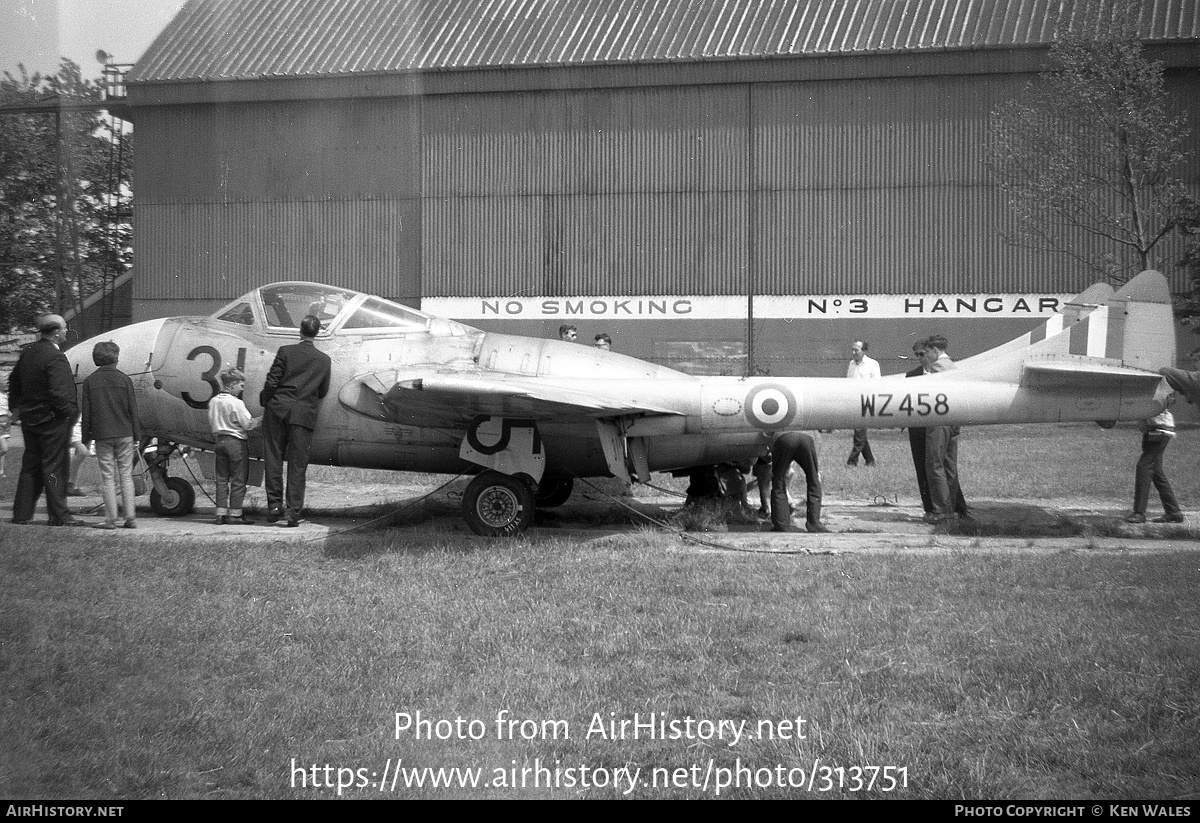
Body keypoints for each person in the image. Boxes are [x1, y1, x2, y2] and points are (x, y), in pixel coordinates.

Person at [9, 314, 85, 526]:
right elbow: (60, 392)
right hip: (52, 420)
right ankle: (59, 515)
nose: (66, 332)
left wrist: (18, 407)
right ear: (57, 332)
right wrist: (70, 414)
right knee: (55, 467)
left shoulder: (28, 352)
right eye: (65, 328)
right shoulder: (55, 357)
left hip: (29, 419)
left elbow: (14, 381)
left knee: (30, 465)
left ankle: (21, 514)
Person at [260, 315, 332, 527]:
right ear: (317, 333)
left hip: (278, 410)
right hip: (303, 415)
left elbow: (272, 381)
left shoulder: (285, 351)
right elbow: (323, 390)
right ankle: (292, 513)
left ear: (300, 331)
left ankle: (274, 507)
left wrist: (266, 401)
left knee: (273, 458)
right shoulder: (324, 360)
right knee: (297, 465)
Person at [80, 340, 140, 530]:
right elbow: (133, 410)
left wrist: (85, 438)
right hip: (125, 433)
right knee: (126, 476)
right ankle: (130, 517)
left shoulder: (90, 381)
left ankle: (111, 519)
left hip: (102, 435)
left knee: (107, 477)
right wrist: (137, 435)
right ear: (116, 358)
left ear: (96, 359)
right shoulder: (125, 379)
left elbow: (87, 413)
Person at [920, 334, 969, 524]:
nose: (926, 357)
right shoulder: (952, 366)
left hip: (939, 422)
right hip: (953, 421)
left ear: (934, 350)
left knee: (934, 463)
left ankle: (941, 510)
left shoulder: (938, 368)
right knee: (949, 466)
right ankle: (950, 507)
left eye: (927, 353)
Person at [208, 367, 261, 526]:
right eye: (241, 385)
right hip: (236, 443)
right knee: (238, 479)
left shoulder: (214, 401)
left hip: (220, 442)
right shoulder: (236, 403)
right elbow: (247, 424)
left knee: (222, 479)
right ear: (232, 384)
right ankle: (236, 515)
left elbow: (211, 422)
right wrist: (261, 419)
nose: (242, 389)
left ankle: (220, 514)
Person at [1126, 407, 1183, 524]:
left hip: (1159, 430)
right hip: (1156, 429)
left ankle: (1139, 512)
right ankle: (1173, 512)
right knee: (1156, 472)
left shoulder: (1154, 391)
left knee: (1143, 466)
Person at [769, 431, 829, 533]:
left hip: (783, 438)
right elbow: (817, 439)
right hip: (807, 438)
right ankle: (814, 523)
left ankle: (781, 524)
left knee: (778, 482)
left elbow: (770, 443)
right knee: (813, 480)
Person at [845, 340, 880, 467]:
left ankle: (852, 461)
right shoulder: (851, 364)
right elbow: (848, 382)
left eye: (856, 350)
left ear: (864, 351)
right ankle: (870, 460)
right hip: (854, 402)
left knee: (859, 433)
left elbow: (876, 384)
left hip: (867, 402)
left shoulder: (872, 364)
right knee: (860, 432)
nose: (853, 352)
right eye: (852, 349)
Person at [67, 419, 95, 496]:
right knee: (82, 451)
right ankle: (70, 484)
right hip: (74, 424)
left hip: (87, 425)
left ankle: (71, 484)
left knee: (82, 452)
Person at [0, 367, 10, 477]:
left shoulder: (6, 395)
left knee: (3, 450)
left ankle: (1, 471)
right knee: (4, 449)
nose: (7, 384)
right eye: (5, 381)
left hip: (6, 424)